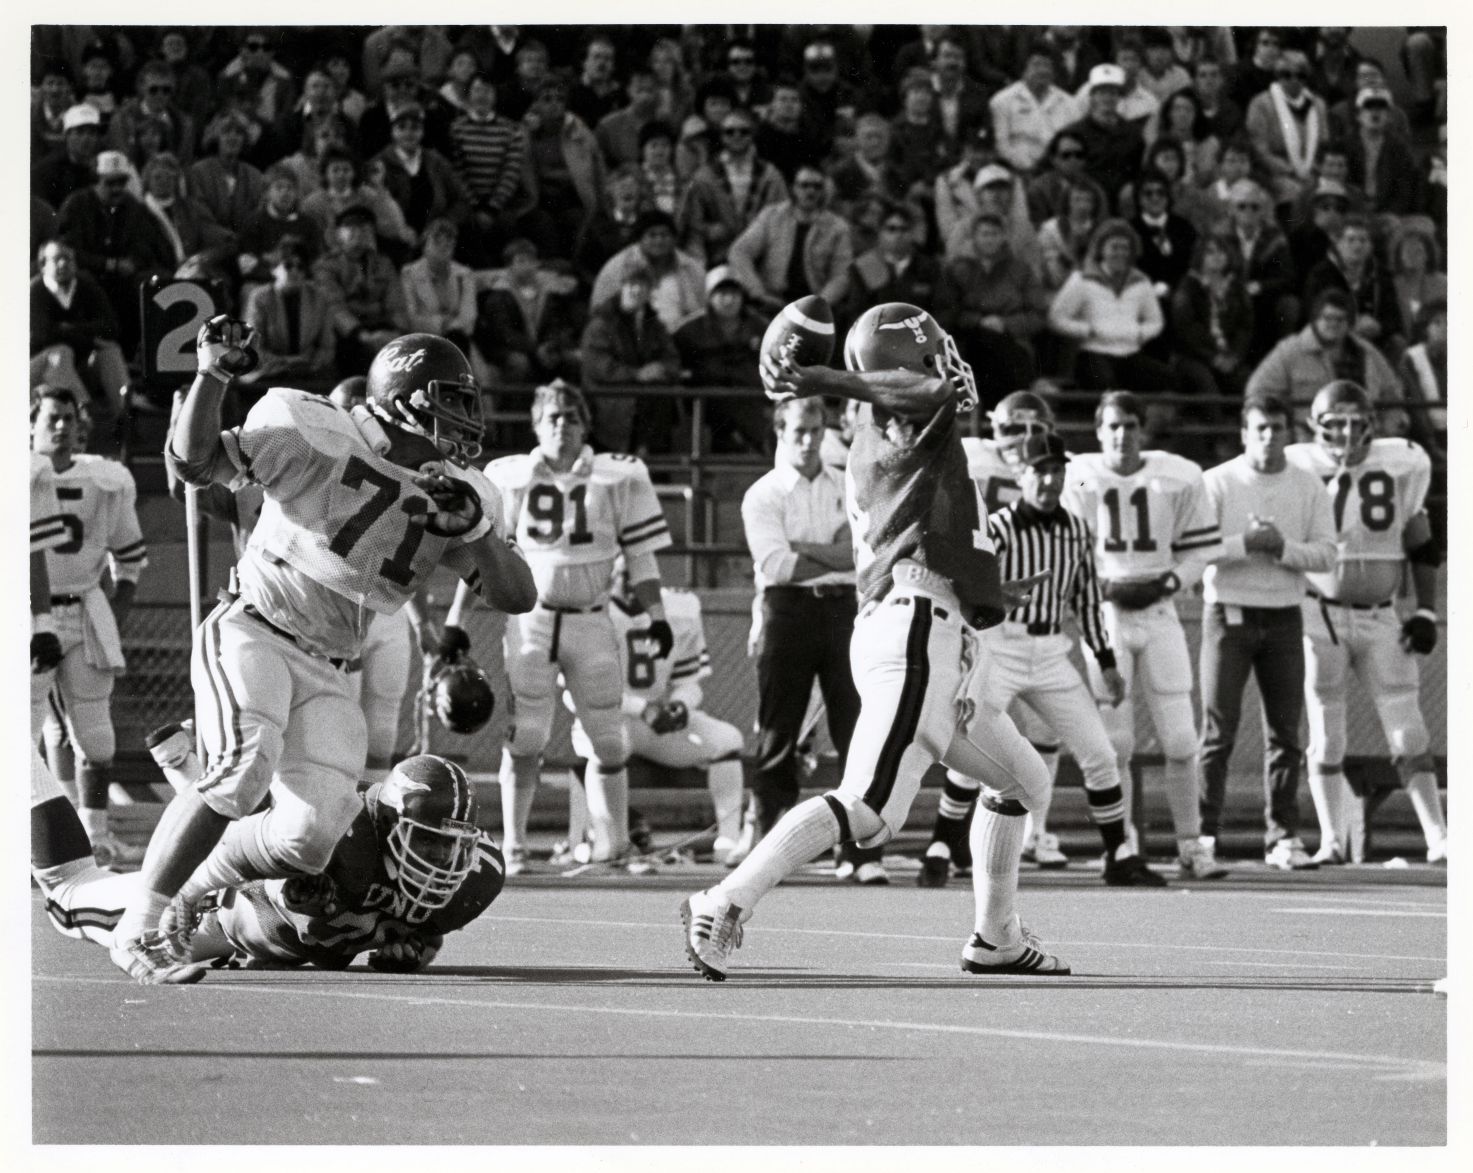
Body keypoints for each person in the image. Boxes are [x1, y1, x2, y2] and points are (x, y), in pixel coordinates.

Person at [108, 322, 536, 984]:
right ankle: (138, 926)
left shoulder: (463, 491)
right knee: (243, 767)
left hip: (331, 662)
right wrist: (211, 376)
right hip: (255, 625)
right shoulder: (311, 426)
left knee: (308, 837)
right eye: (450, 398)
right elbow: (194, 464)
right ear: (403, 397)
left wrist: (477, 532)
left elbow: (517, 595)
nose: (464, 415)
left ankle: (197, 882)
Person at [683, 301, 1069, 981]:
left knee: (1022, 780)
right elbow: (929, 393)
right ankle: (723, 901)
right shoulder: (899, 419)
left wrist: (987, 587)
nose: (947, 366)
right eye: (932, 354)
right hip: (914, 632)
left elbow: (929, 527)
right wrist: (826, 378)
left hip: (928, 625)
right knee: (866, 809)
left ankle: (996, 937)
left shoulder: (890, 430)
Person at [445, 381, 672, 875]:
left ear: (585, 424)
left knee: (609, 739)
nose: (562, 426)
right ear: (535, 424)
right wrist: (455, 620)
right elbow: (483, 555)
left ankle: (614, 844)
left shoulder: (620, 475)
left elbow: (641, 557)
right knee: (527, 736)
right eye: (552, 417)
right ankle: (514, 846)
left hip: (592, 619)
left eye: (571, 416)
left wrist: (657, 615)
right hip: (533, 619)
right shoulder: (508, 477)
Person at [33, 753, 504, 981]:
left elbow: (415, 925)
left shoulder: (476, 879)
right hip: (220, 909)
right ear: (386, 822)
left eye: (452, 845)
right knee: (66, 892)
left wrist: (414, 947)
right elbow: (233, 850)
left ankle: (182, 764)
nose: (442, 860)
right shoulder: (337, 826)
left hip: (267, 938)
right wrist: (184, 896)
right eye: (427, 841)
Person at [1064, 393, 1228, 877]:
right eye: (1113, 426)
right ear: (1099, 431)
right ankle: (1123, 845)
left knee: (1181, 738)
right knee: (1116, 743)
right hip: (1107, 614)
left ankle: (1191, 845)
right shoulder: (1081, 477)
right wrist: (1102, 587)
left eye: (1130, 425)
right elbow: (1069, 548)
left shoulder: (1177, 475)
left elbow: (1201, 552)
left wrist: (1167, 583)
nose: (1122, 435)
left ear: (1143, 429)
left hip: (1159, 611)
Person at [1285, 382, 1447, 865]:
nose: (1347, 433)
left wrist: (1424, 610)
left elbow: (1421, 543)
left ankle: (1439, 837)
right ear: (1314, 425)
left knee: (1408, 731)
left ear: (1373, 423)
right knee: (1327, 733)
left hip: (1381, 615)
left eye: (1357, 422)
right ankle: (1332, 841)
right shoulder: (1296, 466)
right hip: (1320, 614)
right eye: (1335, 422)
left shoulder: (1402, 462)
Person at [917, 391, 1066, 882]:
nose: (1022, 439)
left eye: (1032, 428)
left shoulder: (1061, 471)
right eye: (1011, 428)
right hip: (983, 612)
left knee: (1040, 735)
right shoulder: (972, 458)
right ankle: (945, 839)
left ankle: (1032, 833)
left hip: (1034, 619)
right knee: (975, 725)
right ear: (993, 429)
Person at [1199, 392, 1337, 870]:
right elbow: (1195, 548)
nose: (1269, 437)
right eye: (1261, 428)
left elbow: (1327, 554)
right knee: (1217, 732)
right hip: (1229, 613)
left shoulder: (1308, 484)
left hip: (1283, 615)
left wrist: (1282, 548)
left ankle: (1283, 836)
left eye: (1277, 428)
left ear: (1288, 433)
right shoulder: (1218, 481)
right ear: (1244, 433)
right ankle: (1203, 837)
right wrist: (1245, 543)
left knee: (1285, 734)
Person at [739, 397, 874, 881]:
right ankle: (769, 851)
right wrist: (834, 554)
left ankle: (860, 852)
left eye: (816, 430)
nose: (809, 439)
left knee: (855, 729)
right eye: (799, 430)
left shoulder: (849, 483)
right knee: (779, 732)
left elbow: (865, 554)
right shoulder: (763, 493)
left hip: (843, 611)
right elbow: (777, 565)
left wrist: (807, 549)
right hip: (787, 612)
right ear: (780, 431)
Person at [30, 385, 148, 868]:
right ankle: (37, 842)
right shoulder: (20, 474)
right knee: (25, 735)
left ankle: (95, 837)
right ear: (31, 424)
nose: (62, 426)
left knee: (96, 736)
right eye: (51, 418)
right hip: (27, 613)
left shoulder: (105, 479)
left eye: (69, 417)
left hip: (84, 606)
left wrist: (115, 611)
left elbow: (130, 557)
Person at [561, 570, 746, 867]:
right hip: (603, 719)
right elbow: (575, 690)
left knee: (727, 740)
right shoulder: (588, 610)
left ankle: (728, 842)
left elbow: (689, 681)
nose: (633, 583)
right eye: (625, 572)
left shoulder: (680, 608)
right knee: (610, 745)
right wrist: (640, 708)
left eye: (640, 573)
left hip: (655, 724)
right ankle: (611, 841)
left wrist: (680, 706)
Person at [1046, 218, 1175, 395]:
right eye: (1114, 247)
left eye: (1125, 248)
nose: (1120, 253)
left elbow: (1156, 321)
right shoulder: (1082, 279)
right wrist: (1088, 330)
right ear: (1102, 249)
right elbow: (1056, 318)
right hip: (1092, 353)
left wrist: (1139, 333)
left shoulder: (1141, 282)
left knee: (1167, 378)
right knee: (1105, 384)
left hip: (1130, 353)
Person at [1245, 288, 1404, 430]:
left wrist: (1387, 428)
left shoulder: (1367, 352)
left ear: (1349, 323)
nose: (1333, 324)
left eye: (1340, 319)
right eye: (1328, 318)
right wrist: (1288, 429)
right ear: (1315, 319)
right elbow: (1258, 392)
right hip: (1309, 442)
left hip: (1363, 439)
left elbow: (1392, 393)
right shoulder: (1289, 351)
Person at [580, 264, 684, 455]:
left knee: (663, 397)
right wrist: (637, 374)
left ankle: (651, 458)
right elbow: (598, 366)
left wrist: (661, 369)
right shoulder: (601, 324)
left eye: (643, 285)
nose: (637, 290)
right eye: (632, 284)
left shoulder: (654, 324)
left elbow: (672, 358)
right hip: (608, 399)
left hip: (648, 400)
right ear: (622, 286)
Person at [726, 164, 852, 313]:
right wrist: (758, 291)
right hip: (772, 301)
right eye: (804, 185)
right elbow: (739, 251)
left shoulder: (837, 227)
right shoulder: (772, 216)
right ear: (793, 188)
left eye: (817, 186)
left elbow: (841, 275)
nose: (810, 191)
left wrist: (819, 304)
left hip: (814, 305)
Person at [671, 265, 770, 454]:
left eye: (734, 294)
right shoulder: (688, 330)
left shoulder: (761, 327)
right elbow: (673, 363)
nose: (729, 300)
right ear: (709, 297)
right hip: (706, 404)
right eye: (722, 293)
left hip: (750, 399)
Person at [30, 239, 131, 424]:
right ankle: (81, 418)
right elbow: (43, 336)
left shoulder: (86, 286)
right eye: (57, 259)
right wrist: (89, 339)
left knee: (109, 350)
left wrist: (71, 329)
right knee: (60, 353)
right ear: (43, 265)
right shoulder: (35, 291)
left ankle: (125, 419)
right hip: (40, 373)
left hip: (77, 368)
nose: (63, 264)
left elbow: (111, 327)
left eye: (68, 259)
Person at [678, 107, 788, 266]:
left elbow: (783, 217)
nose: (737, 136)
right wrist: (707, 230)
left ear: (752, 134)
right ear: (722, 136)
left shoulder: (770, 175)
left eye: (744, 131)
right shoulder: (704, 176)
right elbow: (692, 222)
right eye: (730, 132)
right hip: (717, 258)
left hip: (760, 257)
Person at [314, 204, 413, 374]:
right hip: (349, 333)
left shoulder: (383, 264)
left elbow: (396, 303)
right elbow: (334, 307)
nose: (359, 233)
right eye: (351, 227)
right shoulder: (326, 266)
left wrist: (398, 333)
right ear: (338, 234)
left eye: (364, 228)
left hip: (383, 329)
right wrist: (362, 335)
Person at [238, 237, 338, 395]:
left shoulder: (319, 297)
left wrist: (311, 362)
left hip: (308, 370)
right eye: (288, 266)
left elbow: (327, 346)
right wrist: (287, 362)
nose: (295, 271)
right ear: (274, 269)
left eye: (301, 267)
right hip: (268, 371)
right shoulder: (259, 297)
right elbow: (253, 347)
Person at [990, 43, 1076, 176]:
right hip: (1014, 172)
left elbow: (1074, 144)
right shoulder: (1002, 101)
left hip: (1058, 174)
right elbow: (1001, 146)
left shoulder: (1069, 103)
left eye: (1047, 65)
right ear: (1024, 70)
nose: (1042, 70)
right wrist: (1027, 168)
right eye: (1036, 64)